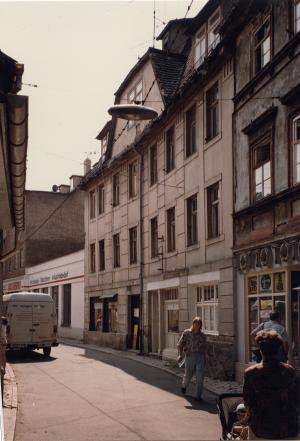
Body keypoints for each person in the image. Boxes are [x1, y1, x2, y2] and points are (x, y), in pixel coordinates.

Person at [243, 329, 298, 439]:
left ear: (261, 350)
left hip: (261, 429)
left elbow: (248, 402)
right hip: (287, 428)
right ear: (278, 349)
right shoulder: (289, 371)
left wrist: (246, 418)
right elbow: (295, 398)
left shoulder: (251, 373)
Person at [177, 317, 206, 401]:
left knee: (200, 376)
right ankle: (184, 386)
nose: (197, 326)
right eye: (195, 324)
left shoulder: (203, 336)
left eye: (199, 324)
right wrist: (179, 355)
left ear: (201, 325)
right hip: (190, 356)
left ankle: (198, 396)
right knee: (188, 375)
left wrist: (205, 360)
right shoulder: (186, 333)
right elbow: (180, 345)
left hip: (200, 357)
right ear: (193, 324)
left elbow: (205, 349)